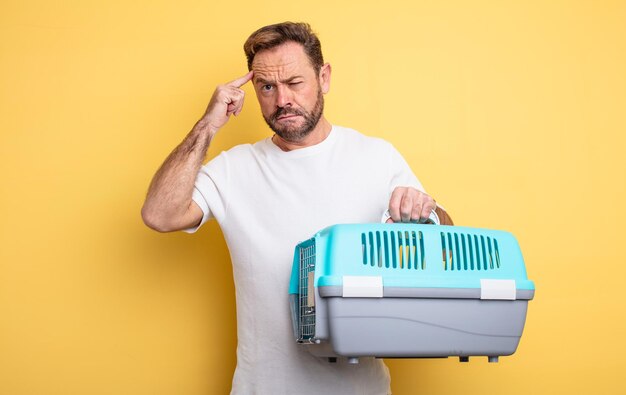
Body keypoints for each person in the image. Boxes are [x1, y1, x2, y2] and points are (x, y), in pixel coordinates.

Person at [142, 22, 452, 395]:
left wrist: (426, 211)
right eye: (267, 87)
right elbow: (160, 214)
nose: (282, 99)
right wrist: (208, 125)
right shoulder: (234, 168)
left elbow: (446, 243)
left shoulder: (376, 156)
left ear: (324, 77)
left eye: (294, 82)